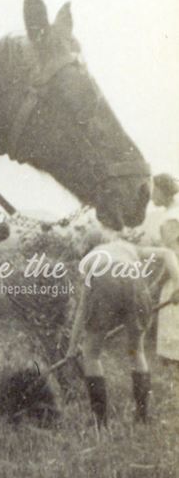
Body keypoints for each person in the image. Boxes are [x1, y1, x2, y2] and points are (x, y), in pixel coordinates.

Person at [67, 238, 179, 426]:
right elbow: (168, 253)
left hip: (103, 277)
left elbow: (82, 309)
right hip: (134, 278)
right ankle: (142, 417)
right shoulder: (131, 248)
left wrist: (72, 347)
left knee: (91, 354)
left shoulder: (90, 260)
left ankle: (100, 422)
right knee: (137, 351)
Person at [144, 173, 179, 362]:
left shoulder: (170, 219)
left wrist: (159, 284)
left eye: (154, 191)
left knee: (173, 353)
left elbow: (173, 256)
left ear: (163, 192)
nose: (151, 196)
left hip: (176, 280)